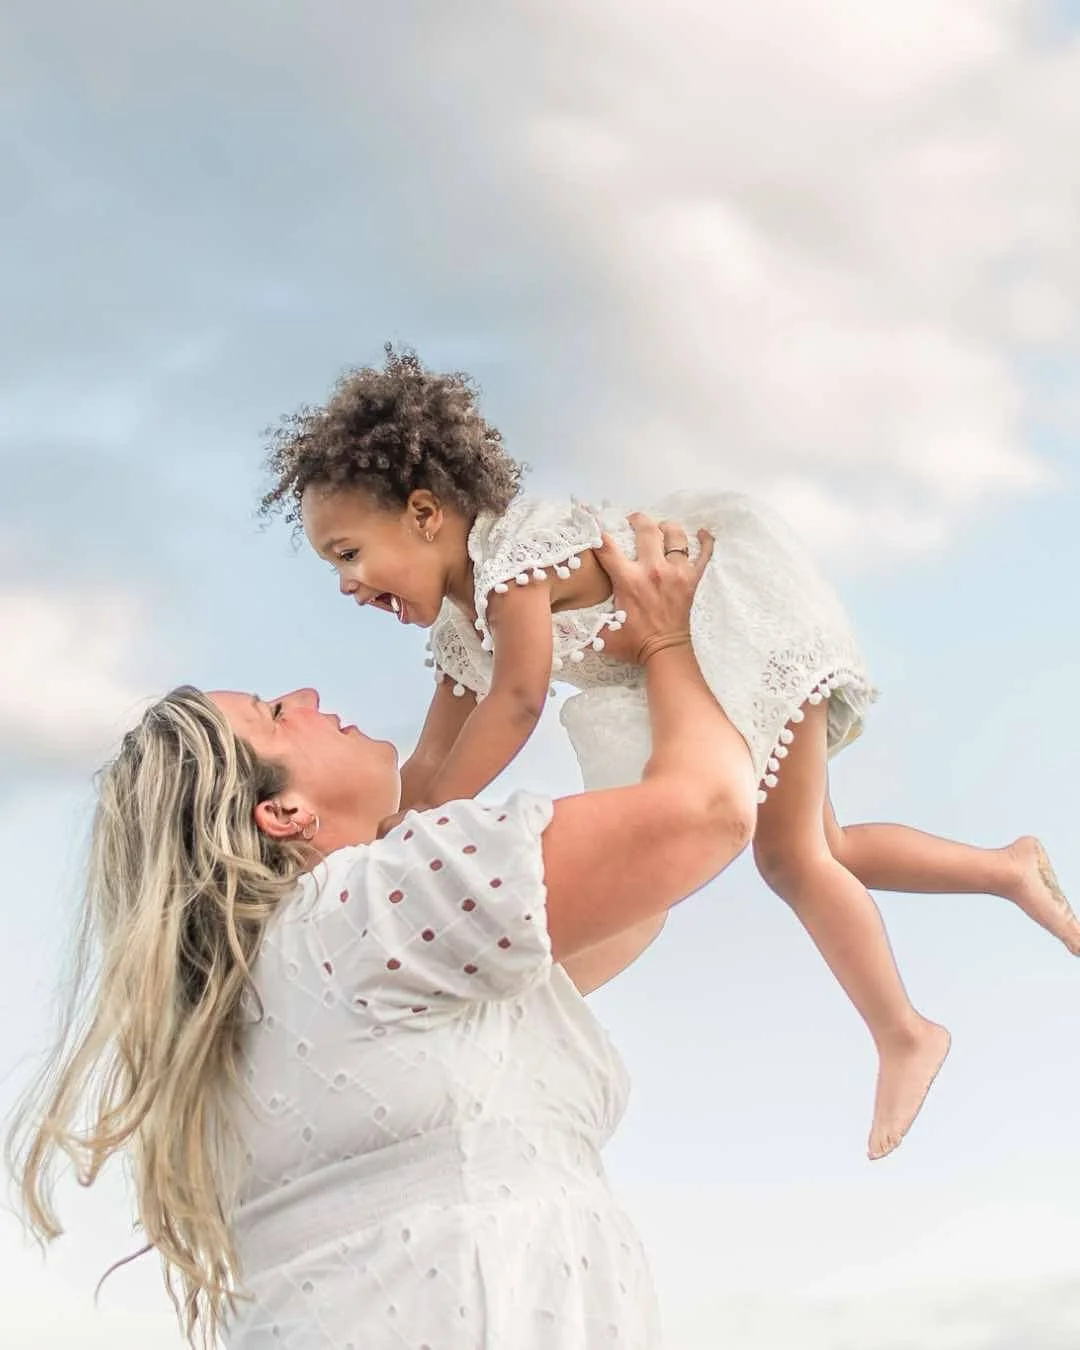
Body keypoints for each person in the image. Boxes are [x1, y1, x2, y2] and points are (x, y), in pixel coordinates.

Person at [259, 344, 1079, 1162]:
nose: (345, 583)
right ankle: (1006, 867)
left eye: (349, 553)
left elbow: (518, 701)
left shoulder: (511, 566)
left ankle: (906, 1032)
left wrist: (415, 834)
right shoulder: (457, 627)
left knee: (792, 860)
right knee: (827, 848)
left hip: (733, 617)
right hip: (686, 662)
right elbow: (432, 764)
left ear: (426, 513)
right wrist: (377, 848)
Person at [7, 516, 757, 1350]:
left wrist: (614, 682)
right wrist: (665, 640)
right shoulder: (367, 907)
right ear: (282, 813)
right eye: (275, 713)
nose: (309, 697)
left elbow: (638, 897)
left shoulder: (286, 981)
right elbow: (705, 814)